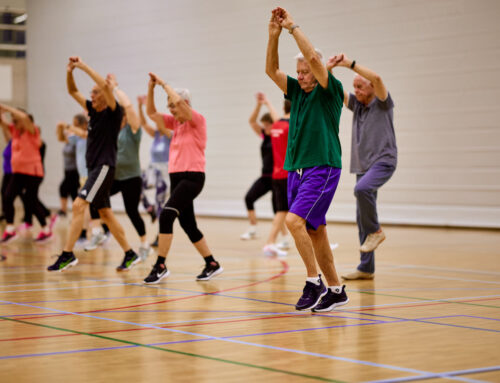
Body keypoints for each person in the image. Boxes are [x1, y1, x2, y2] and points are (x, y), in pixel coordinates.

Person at [265, 7, 348, 312]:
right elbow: (271, 70)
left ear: (318, 71)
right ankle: (336, 289)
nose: (300, 76)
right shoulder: (297, 92)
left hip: (322, 166)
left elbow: (313, 58)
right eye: (298, 72)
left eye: (305, 72)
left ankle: (314, 281)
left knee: (293, 221)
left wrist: (291, 28)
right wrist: (272, 36)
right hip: (297, 171)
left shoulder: (330, 90)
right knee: (316, 231)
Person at [47, 56, 140, 272]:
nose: (92, 95)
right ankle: (130, 253)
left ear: (105, 95)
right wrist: (70, 71)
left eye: (96, 92)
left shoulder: (113, 112)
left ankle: (67, 254)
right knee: (106, 214)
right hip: (94, 169)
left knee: (79, 205)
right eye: (91, 93)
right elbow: (72, 91)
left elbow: (105, 88)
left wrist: (82, 66)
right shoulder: (91, 110)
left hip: (104, 167)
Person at [142, 72, 223, 284]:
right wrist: (152, 88)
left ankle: (160, 265)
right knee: (188, 225)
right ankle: (212, 263)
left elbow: (178, 101)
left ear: (185, 104)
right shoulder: (175, 124)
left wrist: (164, 84)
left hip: (193, 177)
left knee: (166, 215)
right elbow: (151, 112)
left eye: (173, 106)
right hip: (177, 178)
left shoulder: (197, 120)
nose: (170, 109)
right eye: (169, 106)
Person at [327, 53, 397, 280]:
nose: (356, 91)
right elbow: (333, 88)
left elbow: (376, 78)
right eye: (354, 87)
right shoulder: (357, 106)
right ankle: (366, 268)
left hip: (383, 161)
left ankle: (376, 231)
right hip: (362, 166)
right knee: (360, 216)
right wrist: (328, 68)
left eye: (360, 87)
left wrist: (350, 65)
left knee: (362, 190)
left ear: (371, 89)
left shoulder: (383, 102)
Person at [86, 74, 151, 260]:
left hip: (131, 178)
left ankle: (144, 243)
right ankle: (98, 231)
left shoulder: (133, 131)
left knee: (132, 212)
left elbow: (128, 107)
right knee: (94, 197)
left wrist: (114, 88)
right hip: (114, 176)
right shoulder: (112, 129)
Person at [0, 104, 52, 243]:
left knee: (31, 201)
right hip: (19, 172)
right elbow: (3, 124)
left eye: (15, 119)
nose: (13, 122)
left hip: (33, 173)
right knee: (8, 196)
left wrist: (7, 107)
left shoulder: (32, 130)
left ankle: (46, 229)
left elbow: (24, 116)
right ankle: (10, 229)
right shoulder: (15, 131)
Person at [240, 92, 276, 240]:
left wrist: (268, 103)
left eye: (268, 125)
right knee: (249, 198)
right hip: (265, 176)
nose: (265, 127)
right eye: (264, 125)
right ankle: (253, 228)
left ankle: (284, 238)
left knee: (278, 210)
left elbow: (279, 121)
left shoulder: (280, 135)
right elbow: (252, 121)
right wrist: (259, 105)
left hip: (278, 177)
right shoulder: (264, 136)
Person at [137, 94, 170, 247]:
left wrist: (157, 116)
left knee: (160, 203)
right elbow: (143, 123)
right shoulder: (156, 135)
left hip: (164, 171)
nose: (156, 125)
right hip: (152, 169)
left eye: (158, 122)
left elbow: (159, 122)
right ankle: (148, 208)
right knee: (137, 186)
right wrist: (140, 106)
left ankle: (159, 235)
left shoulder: (169, 136)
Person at [262, 98, 291, 257]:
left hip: (276, 174)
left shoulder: (276, 126)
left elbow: (276, 116)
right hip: (288, 175)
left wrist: (267, 102)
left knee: (282, 210)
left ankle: (271, 242)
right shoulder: (291, 125)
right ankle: (270, 242)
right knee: (283, 211)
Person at [56, 121, 80, 217]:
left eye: (69, 132)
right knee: (73, 193)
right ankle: (77, 213)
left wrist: (71, 131)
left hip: (74, 171)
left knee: (63, 188)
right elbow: (60, 136)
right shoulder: (67, 142)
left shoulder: (75, 142)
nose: (67, 134)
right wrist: (60, 127)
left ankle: (63, 210)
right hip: (67, 171)